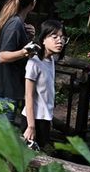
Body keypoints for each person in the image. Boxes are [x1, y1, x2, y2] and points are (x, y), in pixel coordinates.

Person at [0, 0, 40, 119]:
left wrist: (28, 36)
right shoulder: (15, 23)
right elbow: (3, 56)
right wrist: (26, 51)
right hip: (3, 90)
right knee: (3, 137)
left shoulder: (14, 21)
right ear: (33, 3)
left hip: (3, 87)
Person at [23, 20, 67, 150]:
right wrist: (31, 126)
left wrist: (49, 118)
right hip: (32, 119)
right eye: (54, 37)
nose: (60, 41)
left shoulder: (51, 60)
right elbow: (28, 96)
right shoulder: (34, 63)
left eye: (62, 38)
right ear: (42, 39)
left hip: (44, 119)